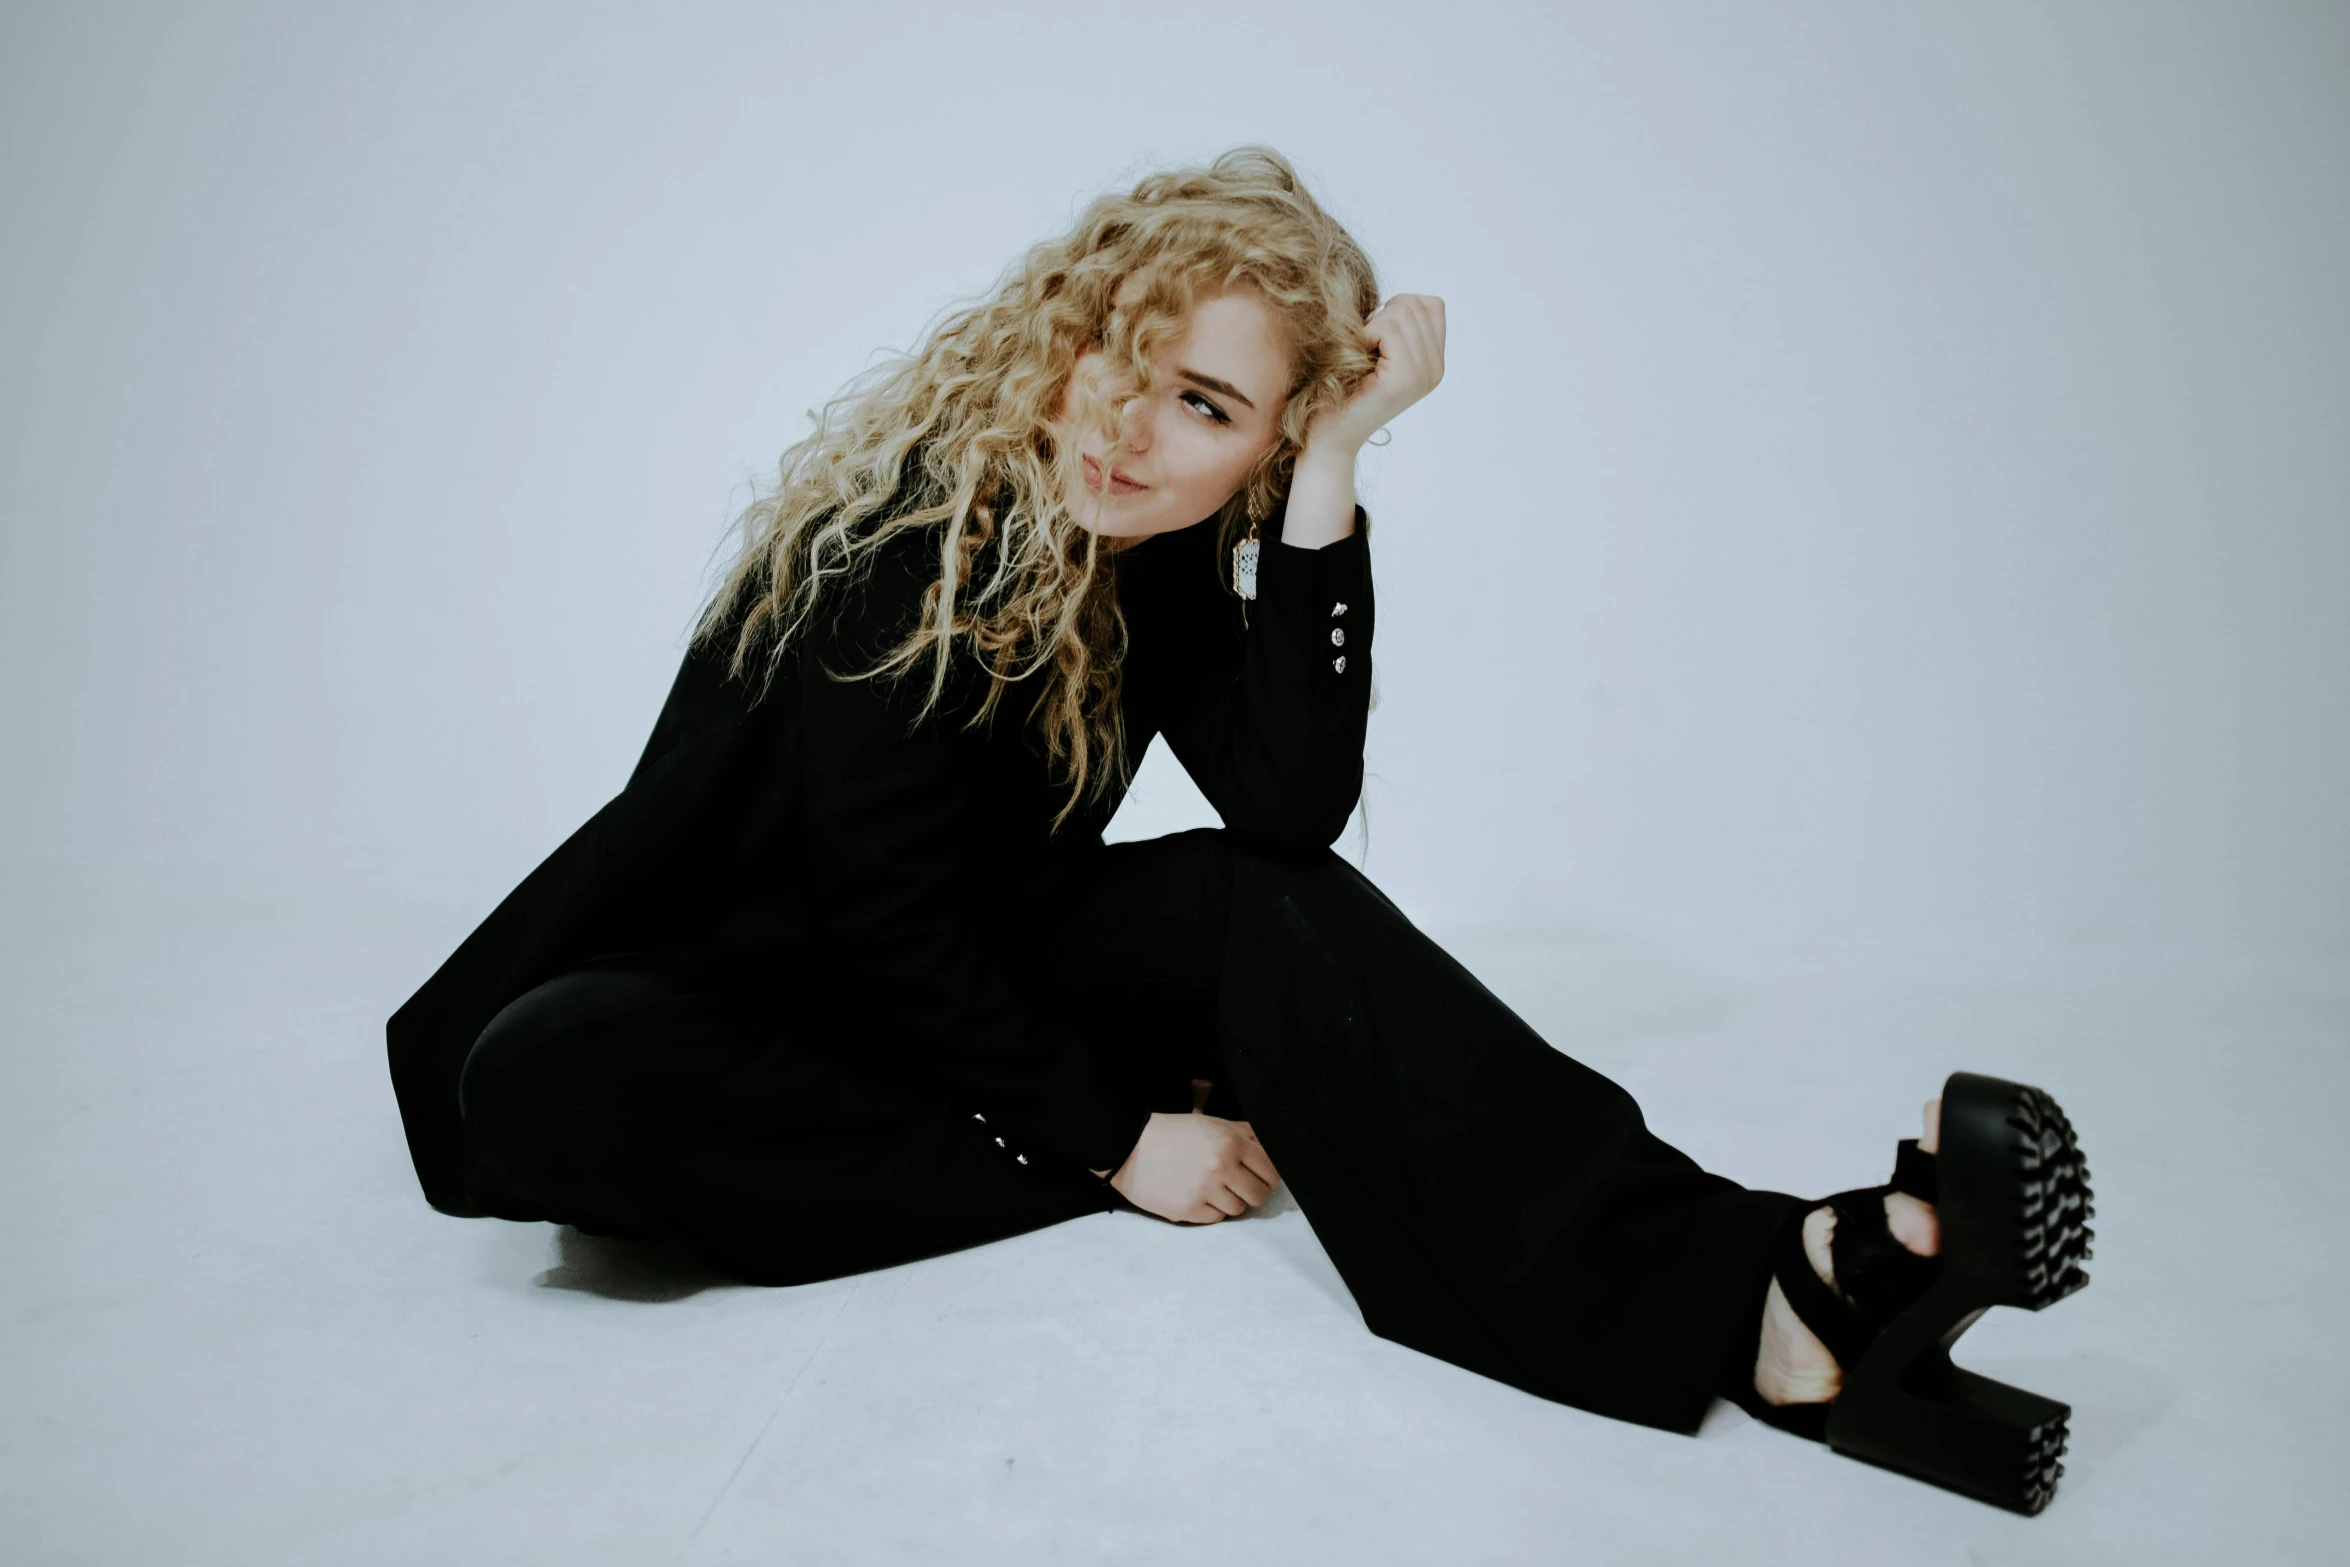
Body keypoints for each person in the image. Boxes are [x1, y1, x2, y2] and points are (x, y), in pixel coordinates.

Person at [386, 148, 2093, 1515]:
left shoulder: (1166, 557)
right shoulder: (891, 545)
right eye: (1120, 365)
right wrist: (1114, 1144)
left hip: (948, 1007)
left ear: (1258, 446)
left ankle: (1765, 1280)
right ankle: (1063, 1151)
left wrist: (1332, 472)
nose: (1132, 429)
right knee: (546, 1066)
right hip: (731, 1014)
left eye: (1209, 406)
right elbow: (875, 913)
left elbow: (1287, 808)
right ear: (1049, 338)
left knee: (1254, 902)